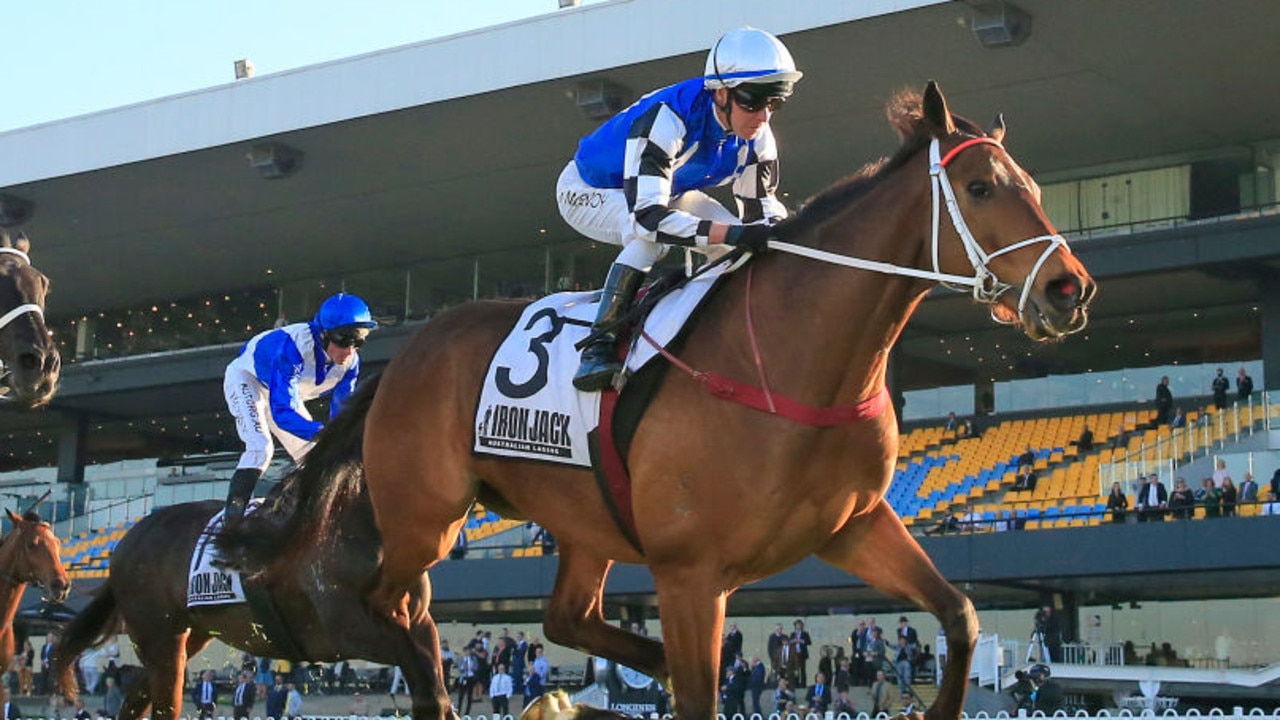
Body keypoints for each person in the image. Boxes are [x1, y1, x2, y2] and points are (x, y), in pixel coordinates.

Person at [556, 27, 802, 391]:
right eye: (753, 101)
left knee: (734, 242)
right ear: (721, 93)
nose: (763, 116)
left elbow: (761, 214)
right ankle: (598, 347)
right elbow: (648, 218)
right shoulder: (666, 119)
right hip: (589, 190)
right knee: (649, 239)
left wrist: (791, 239)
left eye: (774, 103)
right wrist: (735, 234)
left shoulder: (759, 137)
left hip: (663, 193)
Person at [222, 292, 378, 524]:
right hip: (247, 379)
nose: (350, 351)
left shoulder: (351, 364)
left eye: (359, 341)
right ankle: (230, 524)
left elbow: (340, 416)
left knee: (314, 455)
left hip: (281, 394)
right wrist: (323, 433)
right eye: (344, 340)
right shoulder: (293, 348)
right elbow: (282, 413)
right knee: (260, 449)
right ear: (324, 334)